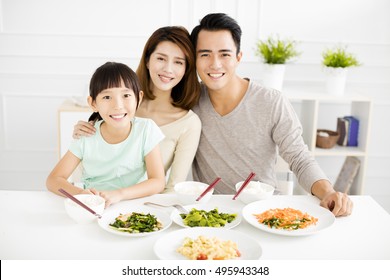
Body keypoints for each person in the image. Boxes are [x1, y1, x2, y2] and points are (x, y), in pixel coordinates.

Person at [190, 13, 353, 217]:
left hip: (263, 212)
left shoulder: (271, 102)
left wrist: (328, 192)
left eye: (224, 54)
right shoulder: (189, 100)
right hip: (211, 214)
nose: (215, 64)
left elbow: (299, 158)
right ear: (194, 59)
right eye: (205, 54)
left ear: (238, 58)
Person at [72, 26, 201, 193]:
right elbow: (86, 169)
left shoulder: (189, 124)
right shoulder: (120, 106)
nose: (168, 69)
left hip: (148, 209)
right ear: (147, 60)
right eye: (161, 58)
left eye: (178, 62)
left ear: (186, 69)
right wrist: (79, 134)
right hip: (100, 202)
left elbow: (172, 187)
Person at [47, 62, 166, 207]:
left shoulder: (146, 130)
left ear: (138, 98)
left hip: (134, 205)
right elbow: (53, 180)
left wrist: (120, 194)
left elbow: (158, 182)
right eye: (107, 97)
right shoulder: (86, 135)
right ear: (93, 103)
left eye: (126, 95)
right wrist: (80, 193)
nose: (118, 105)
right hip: (95, 207)